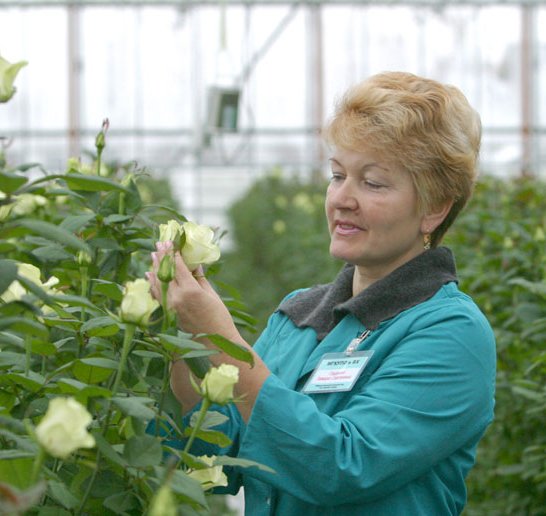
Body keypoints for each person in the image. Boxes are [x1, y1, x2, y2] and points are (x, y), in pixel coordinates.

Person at [147, 71, 495, 516]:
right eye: (337, 175)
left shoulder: (451, 333)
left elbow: (343, 466)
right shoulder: (299, 314)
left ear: (435, 207)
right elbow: (222, 448)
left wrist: (224, 340)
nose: (342, 199)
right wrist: (185, 337)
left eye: (373, 182)